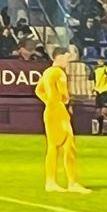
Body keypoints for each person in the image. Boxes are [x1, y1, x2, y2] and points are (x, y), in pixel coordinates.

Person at [39, 47, 87, 194]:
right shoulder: (59, 73)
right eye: (66, 57)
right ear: (58, 57)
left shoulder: (47, 72)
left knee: (64, 146)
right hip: (58, 111)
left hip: (53, 110)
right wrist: (62, 100)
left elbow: (38, 90)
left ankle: (61, 182)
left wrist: (49, 102)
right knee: (61, 146)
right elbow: (64, 94)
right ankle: (59, 182)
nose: (68, 61)